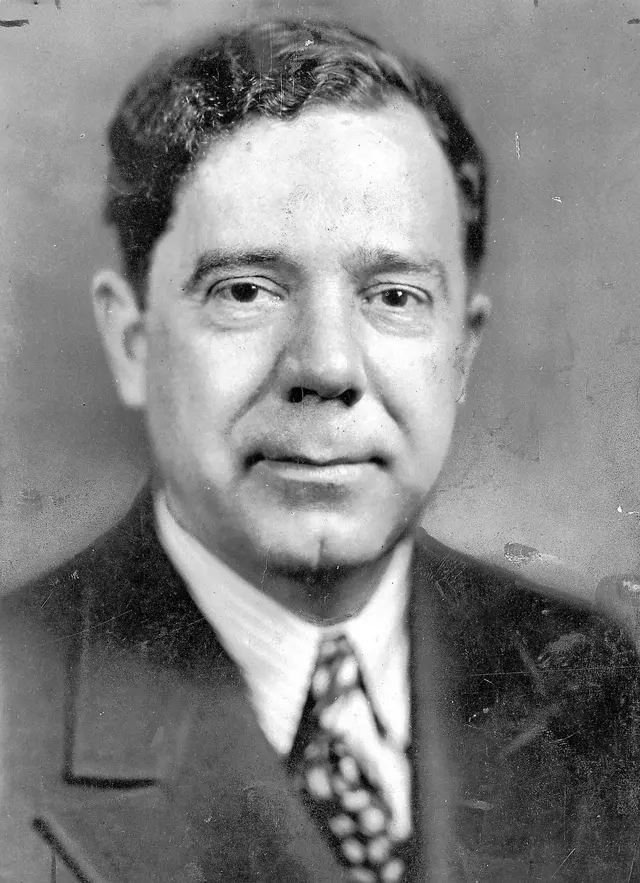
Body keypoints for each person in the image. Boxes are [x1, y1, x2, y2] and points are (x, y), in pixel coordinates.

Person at [1, 18, 639, 883]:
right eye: (246, 290)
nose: (328, 367)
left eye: (395, 295)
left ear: (462, 351)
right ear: (132, 340)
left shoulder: (593, 684)